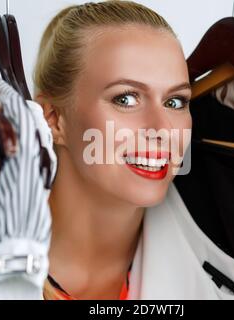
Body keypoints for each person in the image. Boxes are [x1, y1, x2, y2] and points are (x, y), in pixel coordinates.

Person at [34, 0, 192, 300]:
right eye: (126, 99)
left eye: (175, 102)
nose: (162, 130)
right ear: (53, 119)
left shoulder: (214, 258)